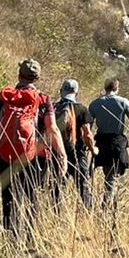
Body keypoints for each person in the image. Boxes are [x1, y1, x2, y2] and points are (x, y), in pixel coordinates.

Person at [0, 59, 65, 234]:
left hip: (6, 155)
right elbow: (52, 128)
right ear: (37, 78)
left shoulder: (5, 97)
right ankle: (32, 242)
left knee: (9, 199)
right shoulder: (43, 99)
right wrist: (62, 155)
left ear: (19, 75)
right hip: (33, 157)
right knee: (32, 197)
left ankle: (12, 243)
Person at [88, 77, 129, 209]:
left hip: (100, 143)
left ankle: (91, 205)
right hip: (116, 144)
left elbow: (87, 125)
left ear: (105, 87)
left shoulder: (95, 103)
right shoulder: (123, 102)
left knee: (95, 176)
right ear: (117, 88)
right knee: (112, 179)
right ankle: (106, 208)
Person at [54, 77, 95, 209]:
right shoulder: (82, 109)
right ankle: (90, 214)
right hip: (77, 154)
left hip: (58, 154)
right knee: (83, 188)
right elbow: (87, 134)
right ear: (76, 93)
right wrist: (93, 149)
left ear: (61, 91)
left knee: (57, 188)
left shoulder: (53, 108)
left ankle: (55, 216)